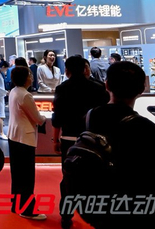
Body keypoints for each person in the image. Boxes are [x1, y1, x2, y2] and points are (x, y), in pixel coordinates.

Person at [86, 61, 155, 229]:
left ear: (107, 85)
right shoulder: (145, 127)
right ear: (142, 89)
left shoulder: (92, 116)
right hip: (139, 212)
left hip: (102, 208)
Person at [51, 56, 109, 229]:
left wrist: (56, 139)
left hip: (69, 139)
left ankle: (66, 215)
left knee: (68, 178)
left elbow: (57, 116)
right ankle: (96, 213)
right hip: (94, 140)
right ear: (85, 69)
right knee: (96, 177)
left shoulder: (62, 88)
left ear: (67, 70)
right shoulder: (98, 87)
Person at [8, 66, 47, 220]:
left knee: (17, 175)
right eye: (30, 75)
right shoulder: (26, 95)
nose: (32, 78)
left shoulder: (13, 91)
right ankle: (27, 209)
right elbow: (37, 118)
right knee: (27, 177)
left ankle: (16, 204)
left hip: (14, 136)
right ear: (25, 78)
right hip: (25, 139)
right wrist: (44, 118)